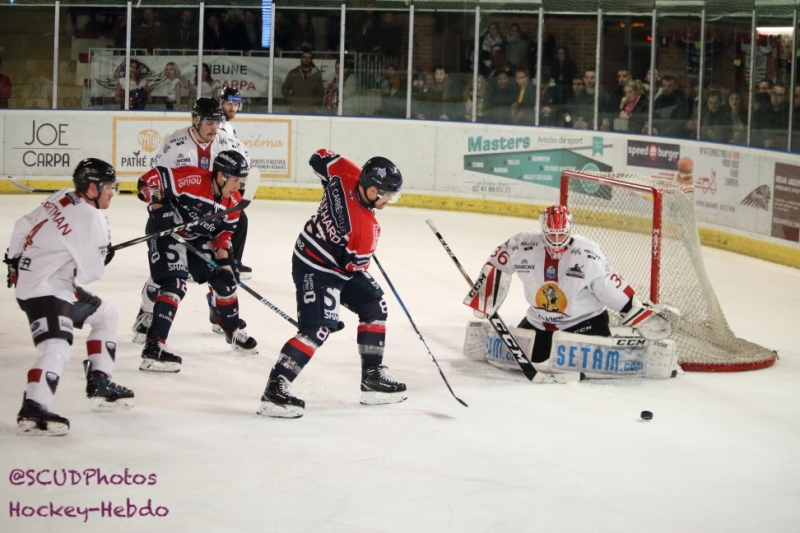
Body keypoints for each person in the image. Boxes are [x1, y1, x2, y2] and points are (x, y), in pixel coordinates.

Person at [257, 150, 407, 419]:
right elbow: (355, 266)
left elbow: (318, 158)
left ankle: (372, 377)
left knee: (375, 305)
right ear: (372, 190)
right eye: (387, 195)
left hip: (331, 259)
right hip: (314, 266)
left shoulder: (345, 172)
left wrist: (332, 190)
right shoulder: (365, 228)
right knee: (317, 329)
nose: (388, 200)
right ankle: (275, 389)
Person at [464, 205, 674, 374]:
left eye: (561, 235)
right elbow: (496, 266)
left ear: (569, 229)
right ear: (543, 229)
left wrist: (635, 311)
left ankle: (648, 355)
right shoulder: (521, 245)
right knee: (523, 359)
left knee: (589, 365)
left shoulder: (588, 253)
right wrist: (485, 296)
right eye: (551, 234)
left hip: (583, 323)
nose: (556, 240)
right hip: (538, 321)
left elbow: (610, 287)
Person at [5, 159, 133, 436]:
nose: (112, 192)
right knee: (56, 346)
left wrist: (13, 261)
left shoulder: (63, 195)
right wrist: (102, 254)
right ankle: (33, 407)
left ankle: (99, 381)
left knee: (105, 313)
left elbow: (22, 224)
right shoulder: (92, 218)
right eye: (108, 187)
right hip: (44, 289)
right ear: (92, 187)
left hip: (43, 281)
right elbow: (90, 273)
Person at [130, 98, 251, 343]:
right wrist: (159, 212)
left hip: (211, 212)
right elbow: (154, 182)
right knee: (168, 271)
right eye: (209, 122)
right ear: (195, 120)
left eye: (217, 122)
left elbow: (244, 176)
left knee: (221, 263)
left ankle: (220, 311)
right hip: (177, 213)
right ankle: (146, 313)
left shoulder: (229, 142)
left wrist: (237, 195)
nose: (215, 127)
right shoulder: (174, 143)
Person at [136, 151, 258, 373]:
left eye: (242, 181)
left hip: (197, 238)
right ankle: (154, 347)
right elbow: (149, 180)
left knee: (227, 282)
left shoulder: (233, 203)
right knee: (174, 285)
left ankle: (232, 330)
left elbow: (222, 238)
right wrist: (157, 207)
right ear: (220, 175)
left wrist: (224, 266)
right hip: (166, 233)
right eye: (235, 180)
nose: (239, 186)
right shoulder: (192, 179)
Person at [215, 87, 252, 279]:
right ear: (221, 103)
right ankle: (231, 261)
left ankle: (232, 260)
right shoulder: (217, 124)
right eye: (229, 103)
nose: (232, 108)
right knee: (236, 219)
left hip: (226, 180)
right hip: (218, 181)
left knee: (238, 219)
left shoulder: (227, 126)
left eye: (236, 104)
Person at [281, 50, 325, 115]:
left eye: (309, 57)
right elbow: (285, 89)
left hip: (311, 110)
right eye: (304, 57)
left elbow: (321, 92)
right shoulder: (293, 73)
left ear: (311, 60)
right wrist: (293, 100)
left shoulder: (316, 75)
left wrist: (312, 102)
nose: (306, 59)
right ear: (301, 59)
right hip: (294, 109)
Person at [753, 84, 790, 149]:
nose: (776, 98)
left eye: (780, 95)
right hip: (761, 148)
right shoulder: (760, 112)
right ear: (770, 94)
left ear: (785, 97)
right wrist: (763, 141)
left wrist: (777, 142)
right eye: (774, 94)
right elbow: (754, 132)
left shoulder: (790, 114)